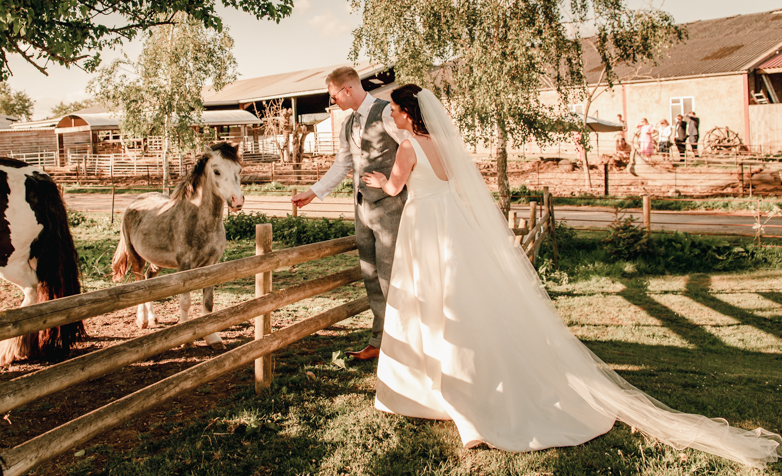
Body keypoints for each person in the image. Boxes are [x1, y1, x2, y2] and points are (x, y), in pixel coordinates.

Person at [361, 84, 781, 465]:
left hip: (425, 227)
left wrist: (379, 179)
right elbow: (451, 184)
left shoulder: (408, 147)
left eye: (396, 110)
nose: (393, 115)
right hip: (453, 226)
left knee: (429, 301)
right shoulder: (444, 143)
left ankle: (440, 393)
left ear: (406, 111)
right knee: (464, 302)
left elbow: (397, 188)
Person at [291, 67, 408, 361]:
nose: (333, 103)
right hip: (361, 209)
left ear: (347, 90)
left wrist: (393, 185)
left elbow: (411, 148)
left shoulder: (386, 113)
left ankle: (401, 343)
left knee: (390, 276)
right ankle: (380, 341)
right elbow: (342, 164)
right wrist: (314, 192)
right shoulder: (347, 124)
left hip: (391, 209)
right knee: (370, 275)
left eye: (333, 96)